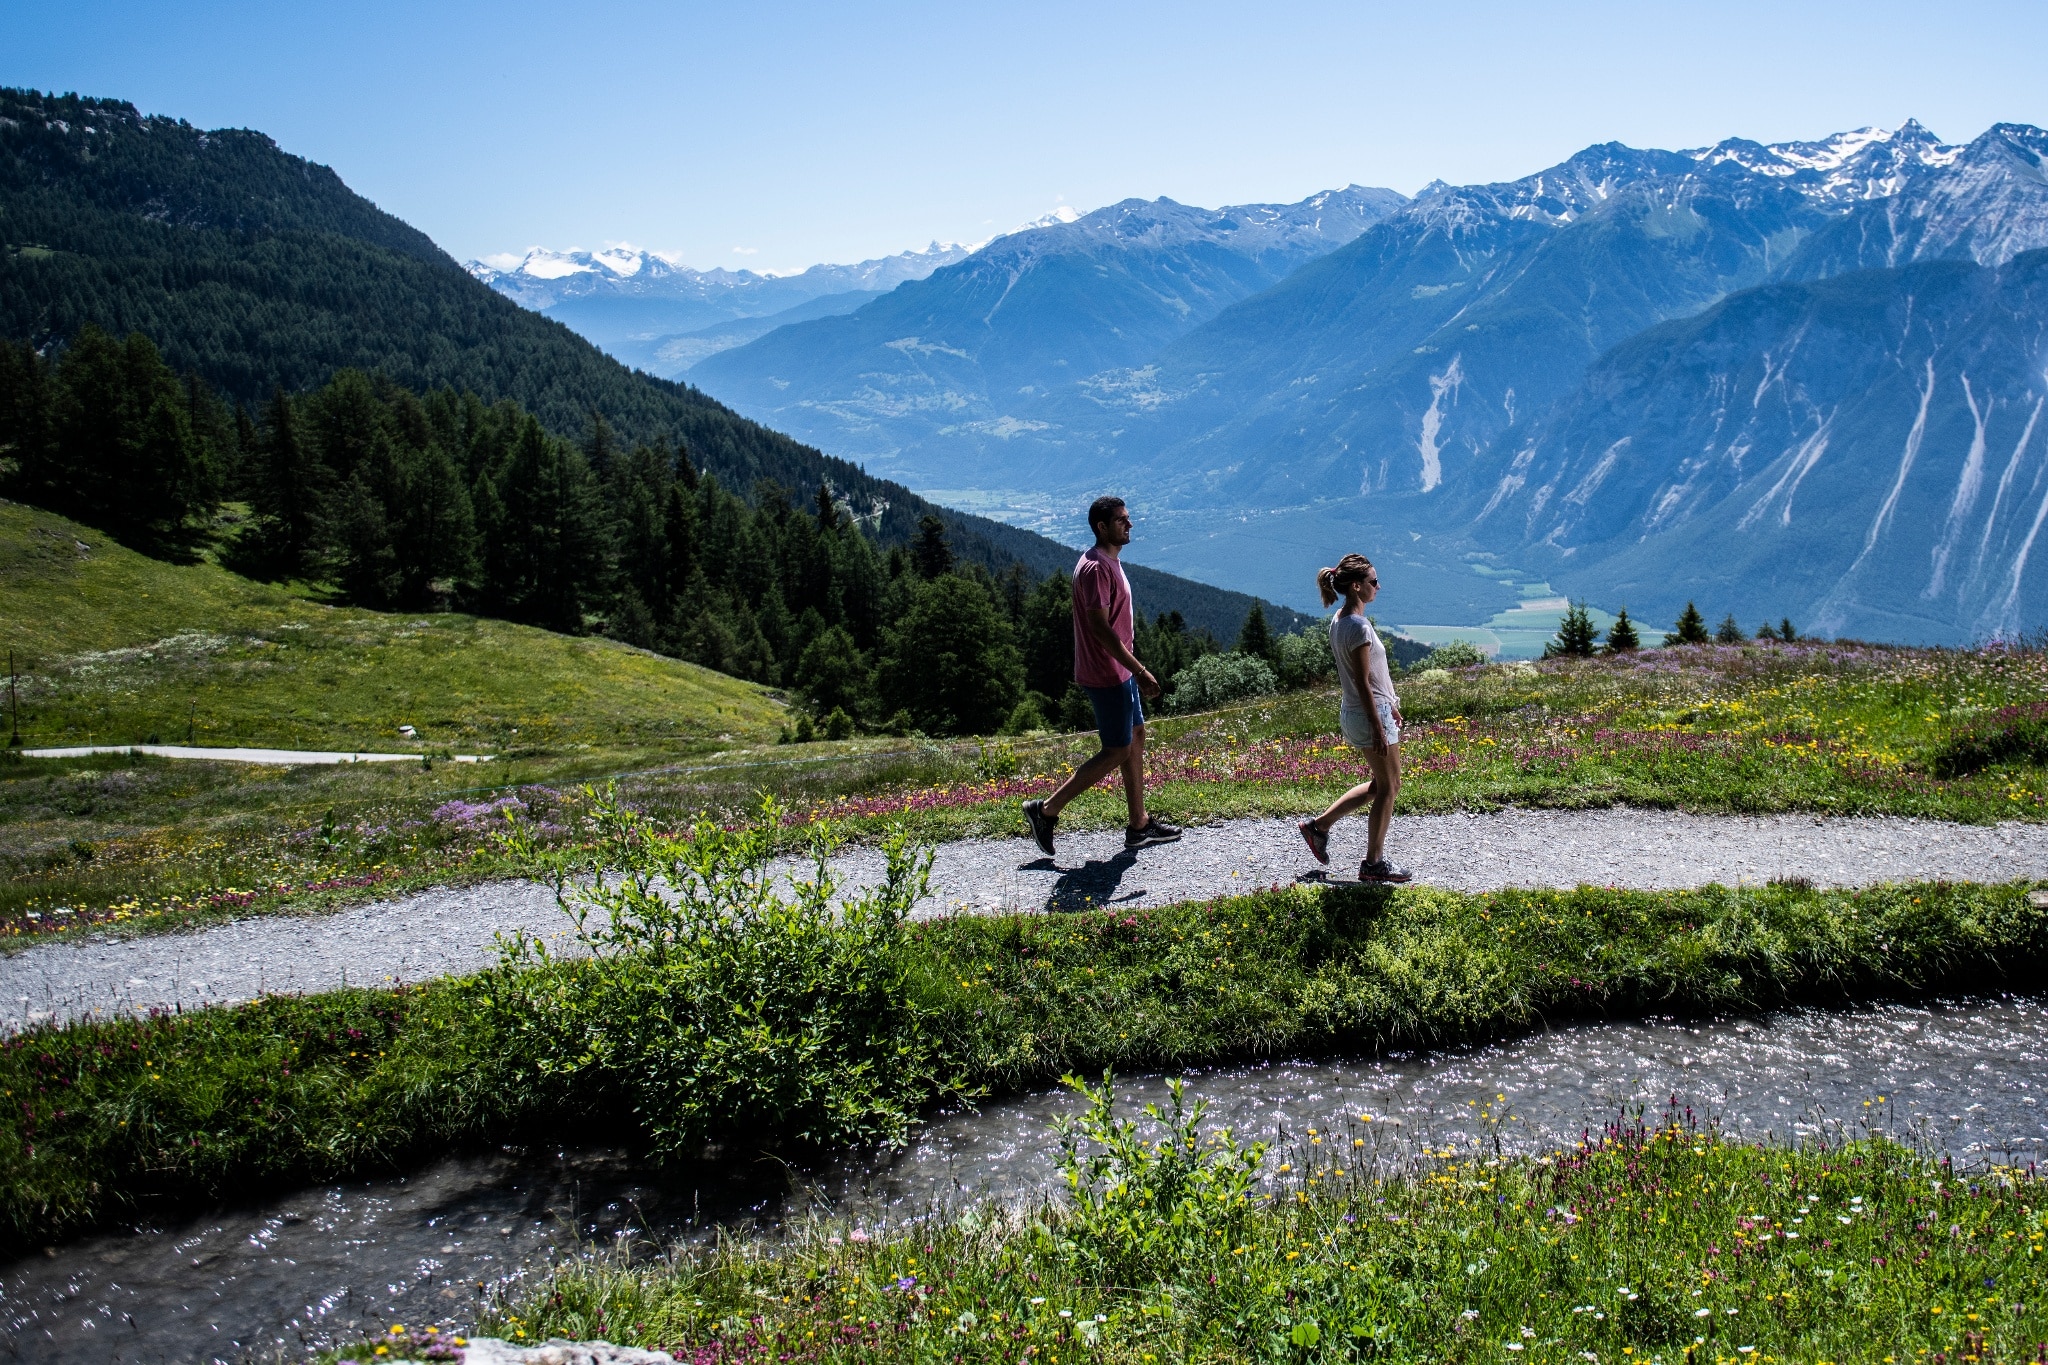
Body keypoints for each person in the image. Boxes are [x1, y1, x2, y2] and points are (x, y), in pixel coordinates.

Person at [1022, 496, 1182, 856]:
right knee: (1116, 749)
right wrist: (1139, 669)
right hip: (1107, 673)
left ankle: (1139, 825)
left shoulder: (1109, 561)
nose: (1130, 524)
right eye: (1122, 520)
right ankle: (1045, 810)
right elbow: (1100, 629)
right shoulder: (1096, 568)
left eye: (1128, 518)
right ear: (1101, 526)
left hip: (1118, 670)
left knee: (1136, 735)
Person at [1297, 553, 1411, 882]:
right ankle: (1373, 864)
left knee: (1381, 784)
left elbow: (1370, 677)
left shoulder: (1339, 620)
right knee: (1390, 787)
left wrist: (1390, 703)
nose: (1379, 586)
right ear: (1358, 586)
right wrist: (1378, 721)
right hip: (1368, 713)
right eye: (1374, 582)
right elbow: (1362, 681)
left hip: (1357, 712)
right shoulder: (1358, 626)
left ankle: (1318, 827)